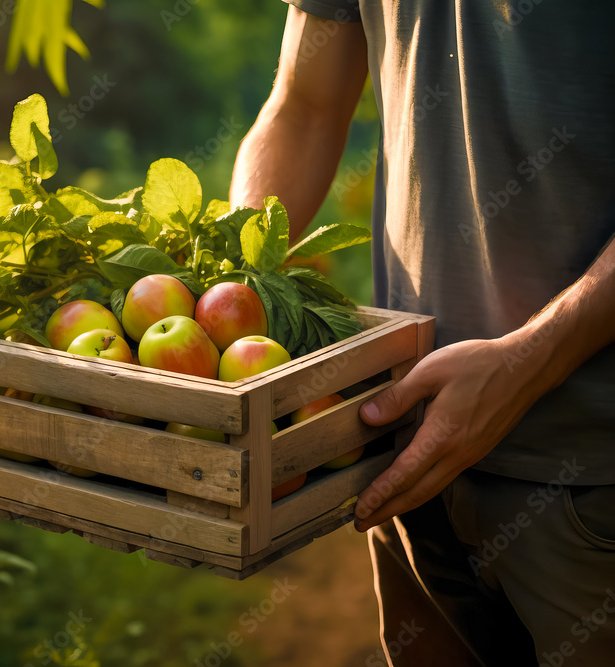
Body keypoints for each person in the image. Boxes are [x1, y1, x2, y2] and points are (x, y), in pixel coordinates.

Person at [229, 3, 615, 665]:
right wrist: (227, 286)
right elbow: (303, 106)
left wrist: (528, 361)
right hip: (412, 459)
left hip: (592, 478)